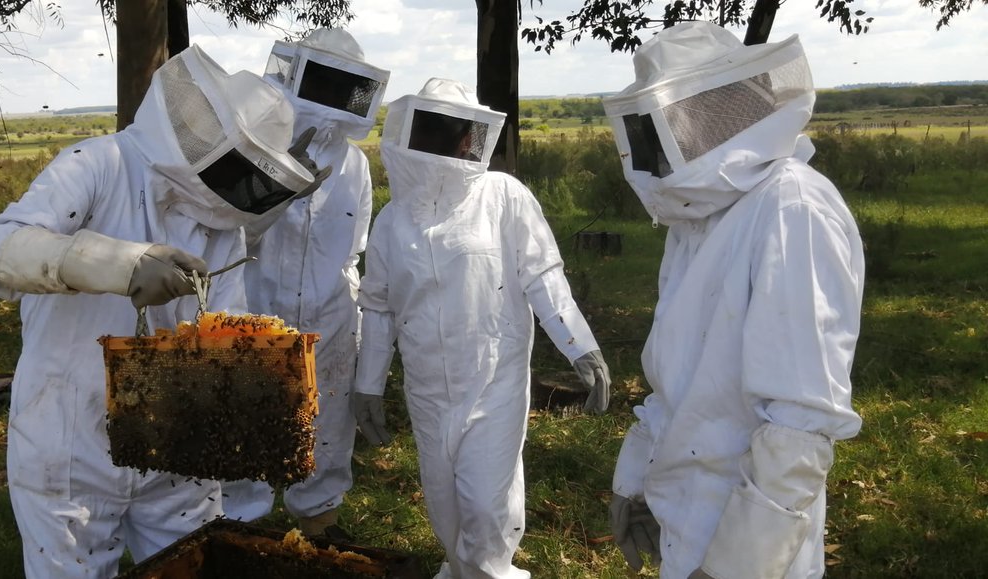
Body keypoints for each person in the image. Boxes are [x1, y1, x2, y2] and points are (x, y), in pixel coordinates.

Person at [0, 45, 328, 578]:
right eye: (237, 166)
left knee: (194, 565)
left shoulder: (221, 220)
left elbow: (223, 328)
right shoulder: (98, 164)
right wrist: (121, 264)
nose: (239, 183)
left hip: (182, 439)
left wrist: (276, 385)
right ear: (207, 141)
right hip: (71, 436)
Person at [600, 22, 864, 579]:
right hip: (686, 508)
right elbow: (680, 378)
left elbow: (801, 421)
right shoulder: (699, 216)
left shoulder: (792, 209)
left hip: (753, 537)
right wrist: (636, 481)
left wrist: (734, 567)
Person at [351, 78, 612, 579]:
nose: (451, 141)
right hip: (427, 389)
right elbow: (379, 307)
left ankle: (492, 572)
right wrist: (368, 385)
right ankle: (462, 568)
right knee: (445, 504)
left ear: (471, 136)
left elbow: (542, 275)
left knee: (486, 506)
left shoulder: (503, 197)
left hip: (494, 381)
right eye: (438, 129)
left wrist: (579, 346)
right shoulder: (391, 221)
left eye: (456, 130)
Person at [220, 28, 389, 537]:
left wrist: (350, 311)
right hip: (253, 310)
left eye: (345, 87)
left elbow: (354, 247)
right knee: (243, 426)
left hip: (332, 315)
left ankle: (319, 521)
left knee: (329, 427)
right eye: (325, 82)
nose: (334, 97)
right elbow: (227, 236)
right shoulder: (246, 148)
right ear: (295, 73)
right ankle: (242, 526)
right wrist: (278, 190)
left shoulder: (355, 164)